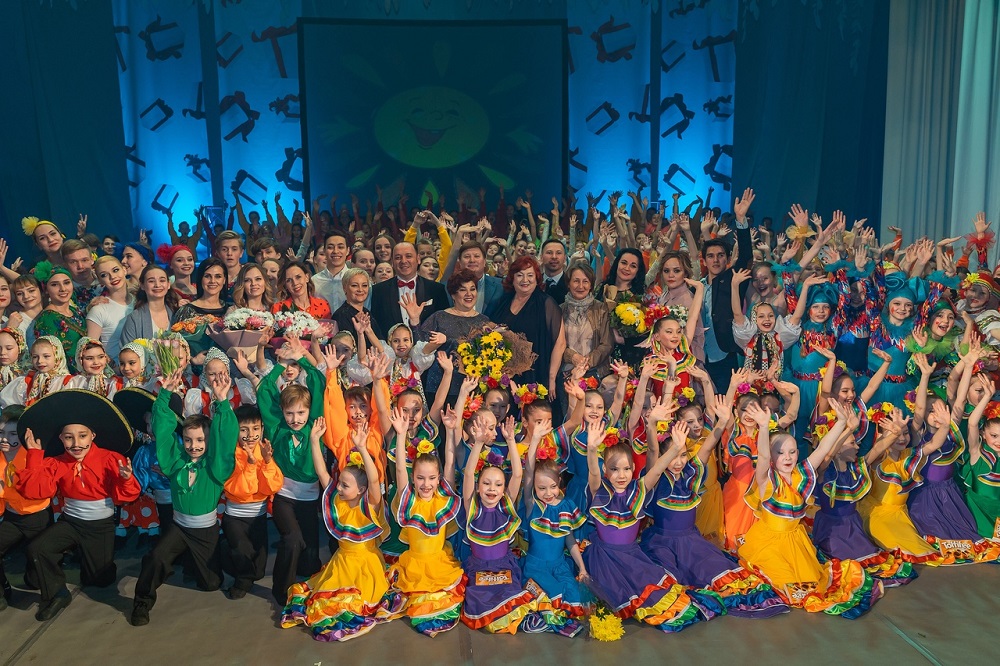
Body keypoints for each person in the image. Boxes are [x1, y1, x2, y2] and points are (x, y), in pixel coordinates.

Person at [738, 401, 882, 616]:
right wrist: (764, 427)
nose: (787, 457)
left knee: (812, 584)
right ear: (772, 457)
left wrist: (841, 422)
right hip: (769, 544)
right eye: (780, 453)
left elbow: (823, 449)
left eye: (792, 452)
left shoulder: (802, 474)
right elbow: (764, 457)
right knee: (787, 585)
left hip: (796, 542)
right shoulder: (767, 480)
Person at [583, 420, 723, 631]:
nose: (621, 475)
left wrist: (676, 447)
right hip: (605, 560)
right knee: (615, 597)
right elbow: (593, 474)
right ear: (605, 469)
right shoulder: (600, 492)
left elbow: (657, 470)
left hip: (632, 557)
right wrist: (592, 449)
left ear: (633, 468)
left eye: (626, 469)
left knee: (661, 596)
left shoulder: (637, 490)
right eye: (614, 469)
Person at [15, 390, 139, 621]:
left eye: (82, 436)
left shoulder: (111, 459)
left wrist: (125, 479)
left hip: (100, 526)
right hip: (70, 522)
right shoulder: (55, 462)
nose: (76, 443)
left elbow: (126, 498)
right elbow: (34, 491)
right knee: (37, 548)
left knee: (98, 581)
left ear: (93, 435)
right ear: (61, 439)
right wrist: (34, 455)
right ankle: (57, 594)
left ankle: (98, 564)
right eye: (68, 437)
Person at [131, 370, 238, 626]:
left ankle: (216, 554)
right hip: (179, 527)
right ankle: (142, 603)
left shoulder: (215, 468)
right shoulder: (176, 462)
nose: (193, 446)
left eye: (200, 440)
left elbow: (226, 439)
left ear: (209, 441)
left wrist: (222, 402)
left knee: (211, 584)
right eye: (188, 440)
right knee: (155, 558)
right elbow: (163, 431)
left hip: (205, 531)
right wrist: (165, 394)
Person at [281, 417, 402, 640]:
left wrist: (363, 448)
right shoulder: (338, 502)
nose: (338, 487)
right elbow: (322, 474)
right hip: (341, 563)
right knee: (325, 601)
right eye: (339, 483)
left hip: (366, 566)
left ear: (361, 490)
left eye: (345, 485)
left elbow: (374, 480)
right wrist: (314, 441)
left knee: (352, 604)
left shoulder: (370, 505)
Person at [257, 337, 327, 605]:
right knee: (293, 540)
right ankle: (281, 590)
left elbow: (318, 384)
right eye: (289, 414)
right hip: (284, 496)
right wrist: (281, 364)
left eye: (300, 413)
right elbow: (265, 392)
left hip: (309, 498)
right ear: (282, 413)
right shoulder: (277, 429)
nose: (295, 419)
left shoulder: (315, 427)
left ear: (309, 412)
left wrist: (303, 359)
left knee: (309, 558)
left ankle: (305, 581)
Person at [386, 405, 465, 637]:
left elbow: (449, 463)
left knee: (440, 601)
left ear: (438, 479)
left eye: (431, 478)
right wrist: (401, 435)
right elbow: (400, 470)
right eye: (420, 478)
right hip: (413, 565)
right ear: (413, 478)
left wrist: (450, 431)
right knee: (418, 602)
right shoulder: (409, 500)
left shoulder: (442, 500)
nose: (426, 484)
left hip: (439, 563)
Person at [220, 404, 283, 600]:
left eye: (256, 428)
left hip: (258, 516)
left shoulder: (264, 450)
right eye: (244, 429)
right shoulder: (230, 454)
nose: (250, 435)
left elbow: (271, 487)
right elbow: (240, 489)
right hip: (235, 516)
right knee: (242, 550)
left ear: (262, 428)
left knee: (259, 567)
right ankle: (242, 581)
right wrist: (249, 464)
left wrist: (267, 461)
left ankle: (237, 564)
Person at [701, 188, 755, 392]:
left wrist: (740, 220)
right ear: (704, 261)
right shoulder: (697, 286)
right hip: (699, 357)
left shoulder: (734, 279)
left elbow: (746, 256)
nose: (716, 260)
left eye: (721, 255)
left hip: (724, 356)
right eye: (711, 256)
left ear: (728, 259)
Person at [0, 405, 52, 613]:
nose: (5, 439)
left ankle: (43, 585)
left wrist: (4, 490)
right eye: (1, 432)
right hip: (12, 517)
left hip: (37, 516)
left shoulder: (35, 456)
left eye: (12, 434)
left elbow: (36, 490)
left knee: (37, 566)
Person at [492, 256, 565, 393]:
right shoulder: (504, 300)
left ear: (537, 278)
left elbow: (560, 343)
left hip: (535, 375)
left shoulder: (546, 303)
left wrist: (551, 378)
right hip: (503, 375)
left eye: (530, 275)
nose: (525, 280)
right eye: (520, 275)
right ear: (512, 278)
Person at [418, 269, 491, 400]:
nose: (469, 294)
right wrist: (414, 321)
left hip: (474, 388)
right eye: (463, 290)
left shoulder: (484, 321)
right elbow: (420, 349)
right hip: (440, 387)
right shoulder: (439, 317)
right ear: (453, 294)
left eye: (472, 289)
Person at [369, 242, 448, 331]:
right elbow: (375, 326)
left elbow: (444, 324)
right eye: (398, 258)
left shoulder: (437, 289)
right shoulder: (378, 290)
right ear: (392, 262)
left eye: (408, 256)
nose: (403, 261)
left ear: (418, 259)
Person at [560, 263, 612, 381]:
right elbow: (554, 343)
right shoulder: (559, 310)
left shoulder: (601, 309)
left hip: (595, 372)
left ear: (591, 285)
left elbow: (607, 344)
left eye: (585, 281)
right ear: (568, 284)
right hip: (567, 372)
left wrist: (586, 363)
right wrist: (572, 356)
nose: (580, 286)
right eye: (576, 281)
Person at [32, 262, 87, 371]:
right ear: (46, 290)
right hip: (68, 376)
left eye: (66, 282)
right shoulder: (46, 319)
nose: (63, 289)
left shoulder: (75, 311)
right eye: (55, 285)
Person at [87, 256, 133, 362]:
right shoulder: (98, 310)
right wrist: (114, 367)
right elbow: (91, 350)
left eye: (115, 270)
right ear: (100, 281)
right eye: (104, 275)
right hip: (114, 370)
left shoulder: (139, 302)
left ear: (124, 270)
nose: (112, 277)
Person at [121, 265, 177, 345]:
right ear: (142, 285)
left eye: (162, 280)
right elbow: (126, 349)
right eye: (151, 281)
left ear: (168, 284)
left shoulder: (176, 313)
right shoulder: (135, 318)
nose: (157, 285)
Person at [331, 268, 384, 341]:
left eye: (364, 285)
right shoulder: (340, 315)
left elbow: (381, 341)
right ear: (345, 288)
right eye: (354, 285)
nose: (360, 289)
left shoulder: (367, 312)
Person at [173, 258, 229, 323]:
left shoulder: (230, 310)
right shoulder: (187, 311)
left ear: (224, 280)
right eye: (207, 276)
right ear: (200, 279)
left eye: (218, 276)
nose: (212, 281)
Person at [311, 228, 350, 313]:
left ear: (347, 251)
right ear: (324, 251)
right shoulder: (314, 282)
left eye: (340, 247)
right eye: (330, 247)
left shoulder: (356, 280)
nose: (335, 251)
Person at [61, 239, 101, 308]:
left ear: (92, 260)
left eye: (84, 260)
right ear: (65, 265)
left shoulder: (106, 281)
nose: (80, 266)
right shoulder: (64, 293)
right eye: (73, 262)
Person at [539, 239, 569, 305]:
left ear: (565, 258)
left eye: (558, 253)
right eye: (549, 253)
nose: (554, 257)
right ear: (541, 257)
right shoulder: (534, 282)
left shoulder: (570, 284)